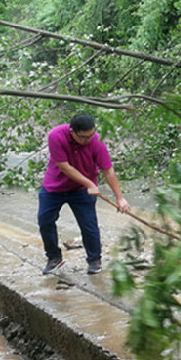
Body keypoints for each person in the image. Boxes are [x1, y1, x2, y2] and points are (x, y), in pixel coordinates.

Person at [38, 113, 130, 275]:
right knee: (45, 221)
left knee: (89, 225)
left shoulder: (97, 142)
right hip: (55, 187)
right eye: (84, 137)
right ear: (72, 132)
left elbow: (108, 171)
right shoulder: (56, 136)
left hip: (81, 191)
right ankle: (53, 257)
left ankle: (94, 259)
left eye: (91, 135)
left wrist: (120, 198)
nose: (88, 140)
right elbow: (64, 167)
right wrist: (89, 183)